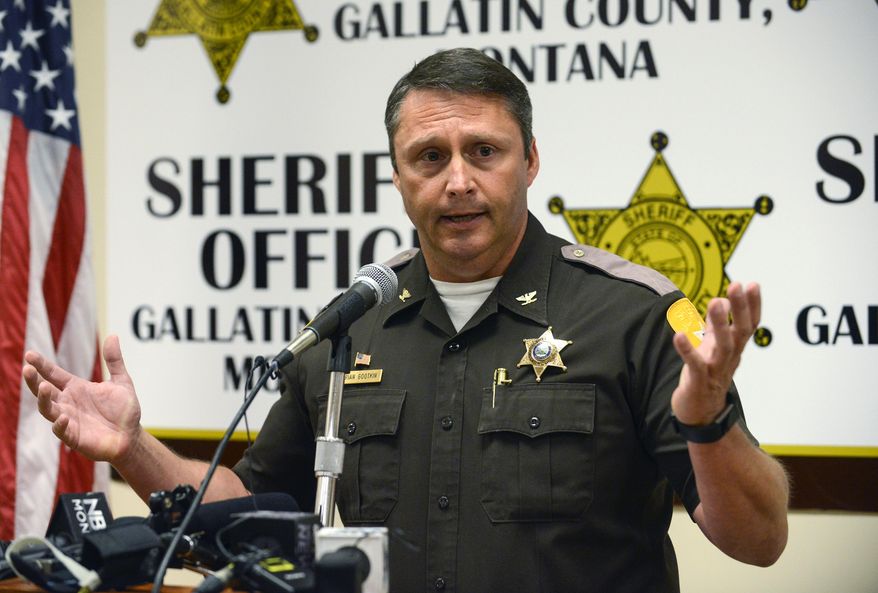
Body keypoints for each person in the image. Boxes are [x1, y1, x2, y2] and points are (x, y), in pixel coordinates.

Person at [24, 48, 788, 592]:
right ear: (396, 176)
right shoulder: (349, 326)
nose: (457, 180)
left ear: (531, 160)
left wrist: (708, 418)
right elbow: (252, 510)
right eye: (429, 157)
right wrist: (132, 448)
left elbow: (758, 540)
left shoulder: (633, 313)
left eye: (483, 151)